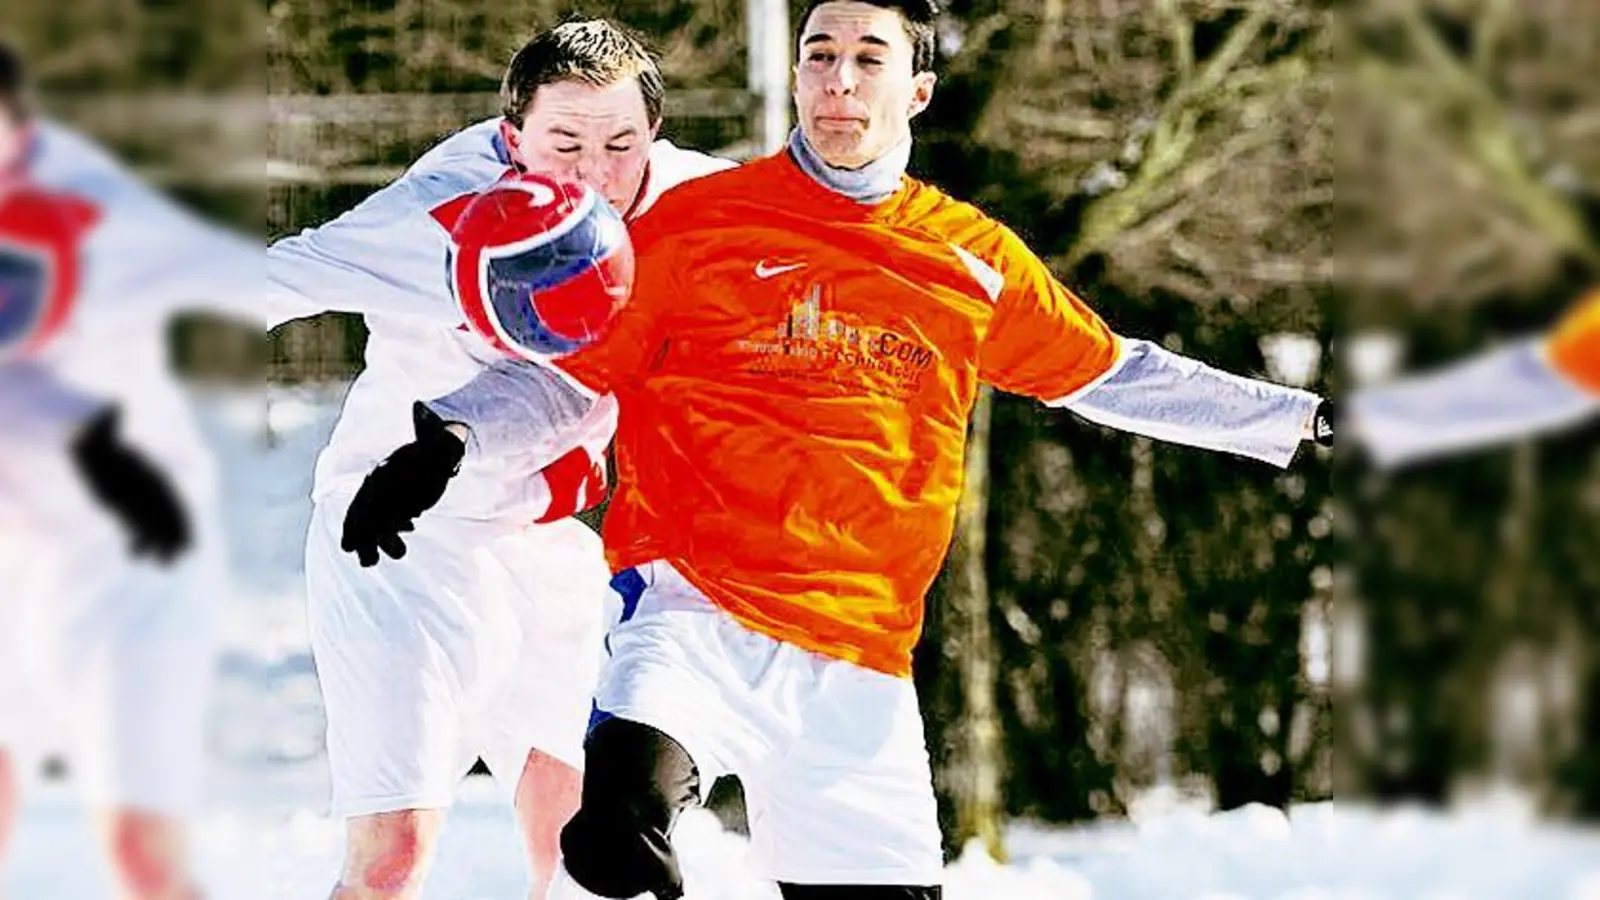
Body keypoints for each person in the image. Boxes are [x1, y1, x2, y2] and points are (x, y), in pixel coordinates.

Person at [351, 2, 1332, 896]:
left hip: (858, 661)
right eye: (819, 55)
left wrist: (1297, 420)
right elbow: (568, 379)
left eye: (869, 58)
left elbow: (1116, 373)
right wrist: (444, 443)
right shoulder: (697, 224)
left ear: (916, 89)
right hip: (691, 616)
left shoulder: (970, 260)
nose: (839, 81)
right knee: (615, 828)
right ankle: (624, 824)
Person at [262, 20, 734, 900]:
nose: (593, 173)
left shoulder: (683, 201)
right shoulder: (436, 214)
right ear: (513, 140)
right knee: (395, 853)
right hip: (398, 533)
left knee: (591, 834)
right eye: (565, 144)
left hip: (546, 536)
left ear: (654, 140)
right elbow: (273, 281)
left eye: (619, 144)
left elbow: (831, 225)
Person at [0, 39, 280, 900]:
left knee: (143, 858)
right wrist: (87, 438)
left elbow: (258, 278)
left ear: (18, 128)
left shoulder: (93, 207)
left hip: (133, 566)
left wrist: (434, 279)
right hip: (17, 556)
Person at [1340, 288, 1600, 470]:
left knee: (1468, 407)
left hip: (1566, 370)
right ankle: (1369, 419)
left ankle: (1371, 420)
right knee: (1466, 405)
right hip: (1564, 367)